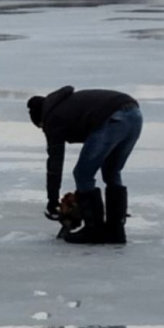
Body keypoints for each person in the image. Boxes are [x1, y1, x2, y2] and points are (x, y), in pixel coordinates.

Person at [27, 87, 142, 244]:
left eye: (41, 127)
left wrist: (52, 199)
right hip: (134, 116)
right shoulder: (66, 105)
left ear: (41, 119)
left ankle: (93, 229)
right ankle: (116, 231)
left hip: (113, 119)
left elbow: (55, 162)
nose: (45, 131)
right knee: (112, 170)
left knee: (82, 174)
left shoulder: (52, 117)